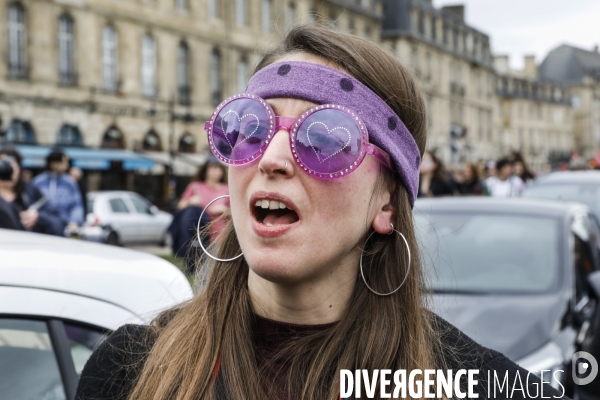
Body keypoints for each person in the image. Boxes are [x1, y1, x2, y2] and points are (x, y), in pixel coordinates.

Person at [76, 26, 565, 400]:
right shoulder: (128, 370)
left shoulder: (480, 384)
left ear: (386, 202)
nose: (270, 158)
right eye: (248, 127)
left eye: (327, 139)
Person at [0, 148, 66, 235]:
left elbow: (59, 225)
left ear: (18, 168)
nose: (6, 170)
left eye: (10, 166)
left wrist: (39, 218)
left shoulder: (32, 193)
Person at [177, 158, 229, 241]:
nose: (217, 172)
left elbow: (236, 213)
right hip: (198, 234)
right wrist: (190, 201)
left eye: (219, 169)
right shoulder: (195, 186)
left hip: (220, 236)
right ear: (206, 170)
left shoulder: (227, 189)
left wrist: (224, 210)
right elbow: (180, 206)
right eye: (213, 168)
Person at [32, 149, 84, 231]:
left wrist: (74, 222)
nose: (66, 165)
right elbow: (32, 205)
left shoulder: (70, 183)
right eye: (64, 162)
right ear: (53, 164)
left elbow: (76, 206)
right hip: (41, 227)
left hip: (64, 227)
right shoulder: (38, 182)